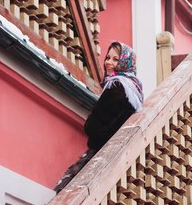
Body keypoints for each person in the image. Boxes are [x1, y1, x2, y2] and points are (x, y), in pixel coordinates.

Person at [54, 41, 143, 193]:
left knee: (69, 191)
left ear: (125, 62)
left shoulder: (116, 87)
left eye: (116, 59)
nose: (108, 62)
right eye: (108, 58)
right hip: (119, 155)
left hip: (103, 154)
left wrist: (91, 123)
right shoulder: (135, 90)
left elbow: (95, 129)